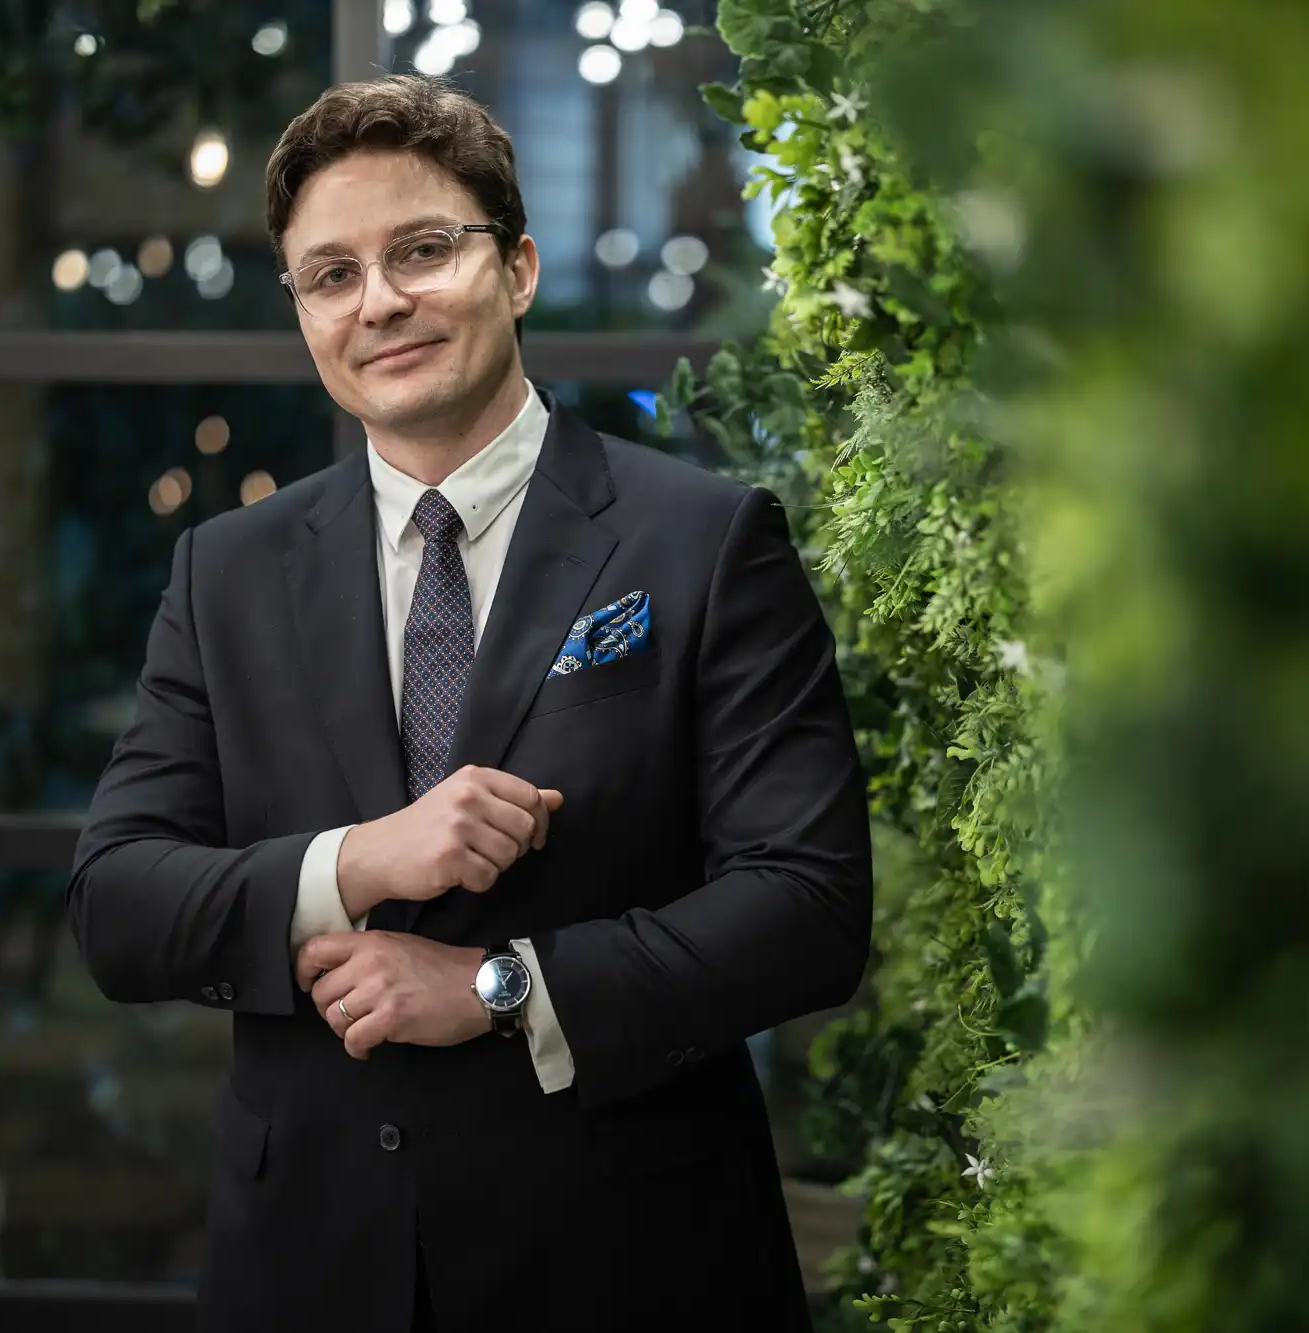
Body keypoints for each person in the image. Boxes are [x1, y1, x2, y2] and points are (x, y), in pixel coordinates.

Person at [67, 75, 871, 1333]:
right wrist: (357, 860)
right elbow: (116, 905)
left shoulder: (702, 540)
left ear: (520, 267)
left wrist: (503, 985)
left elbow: (809, 905)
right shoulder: (223, 571)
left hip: (629, 1263)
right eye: (330, 276)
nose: (378, 301)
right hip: (311, 1267)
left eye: (422, 250)